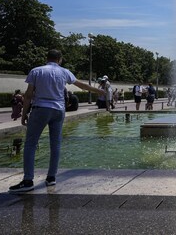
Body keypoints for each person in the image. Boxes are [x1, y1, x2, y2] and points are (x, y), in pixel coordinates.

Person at [8, 49, 105, 193]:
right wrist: (99, 91)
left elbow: (28, 95)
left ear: (46, 58)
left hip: (41, 108)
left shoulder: (36, 71)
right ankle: (51, 177)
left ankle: (28, 180)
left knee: (30, 144)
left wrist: (24, 113)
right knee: (56, 144)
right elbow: (82, 85)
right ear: (60, 59)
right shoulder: (64, 72)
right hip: (58, 110)